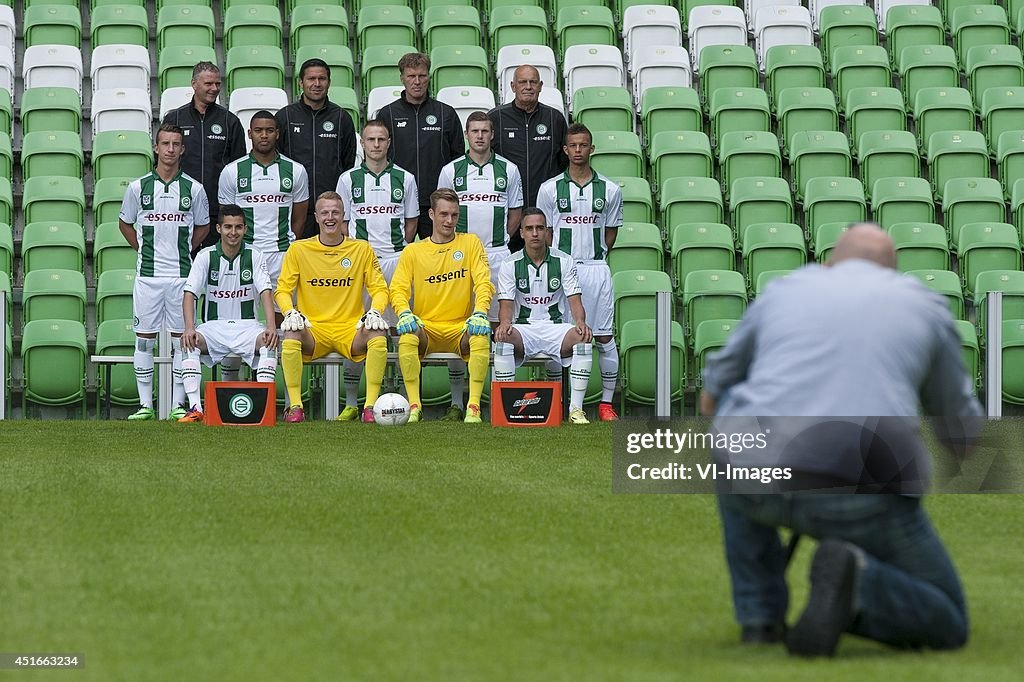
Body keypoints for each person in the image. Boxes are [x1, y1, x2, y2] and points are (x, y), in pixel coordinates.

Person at [701, 224, 983, 656]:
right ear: (892, 270)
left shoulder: (785, 290)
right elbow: (959, 426)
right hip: (861, 484)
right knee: (947, 615)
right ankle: (858, 585)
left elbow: (713, 393)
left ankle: (760, 618)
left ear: (829, 262)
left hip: (751, 474)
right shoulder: (923, 305)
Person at [118, 124, 210, 420]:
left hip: (181, 278)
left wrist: (184, 250)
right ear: (155, 148)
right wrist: (145, 250)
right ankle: (145, 406)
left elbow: (204, 227)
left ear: (182, 150)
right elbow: (125, 224)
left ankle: (177, 406)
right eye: (165, 144)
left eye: (176, 144)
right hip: (148, 278)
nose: (170, 149)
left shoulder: (194, 189)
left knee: (182, 340)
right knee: (144, 339)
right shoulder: (138, 187)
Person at [436, 111, 524, 420]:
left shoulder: (509, 170)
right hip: (460, 257)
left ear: (492, 134)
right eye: (474, 131)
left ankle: (499, 399)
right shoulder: (451, 171)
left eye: (485, 131)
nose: (480, 136)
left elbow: (515, 213)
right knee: (460, 324)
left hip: (498, 257)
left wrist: (497, 243)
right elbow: (444, 212)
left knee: (498, 326)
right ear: (466, 134)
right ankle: (459, 402)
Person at [274, 192, 391, 424]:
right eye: (325, 213)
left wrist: (375, 311)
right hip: (314, 329)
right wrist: (290, 311)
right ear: (316, 217)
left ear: (343, 216)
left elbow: (380, 289)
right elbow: (282, 290)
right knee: (291, 331)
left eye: (335, 212)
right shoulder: (299, 250)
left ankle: (370, 408)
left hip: (350, 329)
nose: (330, 217)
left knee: (378, 332)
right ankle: (296, 406)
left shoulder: (361, 249)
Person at [334, 119, 419, 420]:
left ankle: (406, 398)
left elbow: (411, 223)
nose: (376, 145)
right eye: (371, 139)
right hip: (360, 263)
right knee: (358, 329)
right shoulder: (348, 180)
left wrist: (397, 252)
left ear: (389, 142)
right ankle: (352, 402)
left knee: (398, 329)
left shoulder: (405, 179)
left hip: (396, 261)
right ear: (362, 143)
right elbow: (342, 223)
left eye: (381, 139)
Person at [537, 123, 622, 422]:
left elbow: (610, 234)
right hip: (562, 271)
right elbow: (545, 232)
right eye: (572, 145)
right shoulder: (549, 189)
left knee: (603, 336)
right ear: (565, 149)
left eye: (583, 145)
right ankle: (559, 402)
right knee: (557, 337)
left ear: (591, 148)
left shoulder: (610, 190)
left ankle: (605, 404)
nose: (577, 150)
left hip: (596, 271)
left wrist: (593, 256)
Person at [389, 189, 494, 423]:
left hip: (460, 328)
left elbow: (483, 282)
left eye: (454, 215)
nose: (449, 221)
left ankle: (473, 407)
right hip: (427, 327)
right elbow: (398, 289)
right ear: (431, 214)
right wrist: (404, 312)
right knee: (406, 335)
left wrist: (480, 312)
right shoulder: (413, 251)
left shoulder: (470, 243)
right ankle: (414, 406)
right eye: (444, 214)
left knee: (479, 337)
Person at [177, 205, 278, 422]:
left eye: (238, 227)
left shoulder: (255, 255)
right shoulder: (205, 256)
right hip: (214, 328)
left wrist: (270, 326)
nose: (233, 232)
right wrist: (189, 327)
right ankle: (196, 408)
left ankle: (263, 408)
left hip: (247, 327)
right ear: (219, 228)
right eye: (228, 227)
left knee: (270, 342)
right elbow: (189, 294)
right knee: (187, 342)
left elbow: (265, 292)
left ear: (245, 229)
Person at [494, 208, 592, 424]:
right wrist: (505, 323)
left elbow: (575, 300)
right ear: (521, 233)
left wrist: (581, 323)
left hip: (555, 328)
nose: (535, 233)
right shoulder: (510, 263)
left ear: (548, 231)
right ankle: (507, 409)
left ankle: (576, 409)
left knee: (583, 338)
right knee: (502, 338)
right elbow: (506, 304)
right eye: (529, 228)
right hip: (524, 329)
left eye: (540, 228)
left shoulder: (564, 261)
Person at [218, 110, 309, 301]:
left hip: (282, 255)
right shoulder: (232, 171)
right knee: (244, 311)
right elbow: (226, 216)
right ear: (250, 134)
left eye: (269, 130)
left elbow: (300, 218)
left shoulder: (296, 170)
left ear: (278, 133)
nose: (264, 135)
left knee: (282, 313)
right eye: (259, 130)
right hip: (245, 252)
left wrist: (288, 245)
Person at [376, 52, 464, 239]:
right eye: (411, 76)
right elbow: (377, 155)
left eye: (422, 76)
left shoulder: (445, 113)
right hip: (396, 201)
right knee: (398, 256)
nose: (417, 81)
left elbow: (457, 160)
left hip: (434, 203)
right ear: (402, 79)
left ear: (429, 77)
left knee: (437, 259)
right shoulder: (387, 114)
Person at [162, 61, 246, 249]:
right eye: (208, 84)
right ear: (194, 84)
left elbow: (239, 168)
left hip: (217, 211)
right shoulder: (174, 119)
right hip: (180, 209)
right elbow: (163, 163)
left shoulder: (230, 121)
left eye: (217, 84)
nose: (214, 88)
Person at [488, 64, 568, 252]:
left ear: (540, 86)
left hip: (545, 210)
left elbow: (564, 161)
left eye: (533, 82)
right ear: (513, 86)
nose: (528, 86)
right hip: (508, 209)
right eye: (522, 82)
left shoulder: (554, 118)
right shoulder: (496, 118)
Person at [275, 58, 358, 237]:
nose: (317, 84)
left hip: (330, 211)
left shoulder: (342, 118)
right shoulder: (285, 117)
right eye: (311, 79)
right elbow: (277, 161)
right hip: (294, 209)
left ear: (329, 82)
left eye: (322, 79)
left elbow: (348, 162)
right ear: (301, 82)